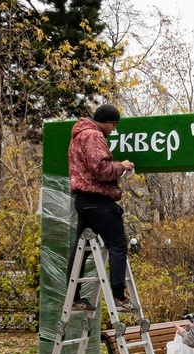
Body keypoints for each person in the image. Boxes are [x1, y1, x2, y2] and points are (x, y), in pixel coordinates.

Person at [65, 103, 136, 312]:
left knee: (81, 250)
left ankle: (74, 298)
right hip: (100, 201)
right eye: (113, 125)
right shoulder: (94, 136)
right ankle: (119, 298)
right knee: (117, 245)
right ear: (105, 121)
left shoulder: (77, 136)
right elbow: (101, 170)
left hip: (83, 201)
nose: (113, 130)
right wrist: (122, 166)